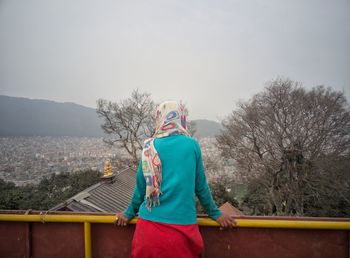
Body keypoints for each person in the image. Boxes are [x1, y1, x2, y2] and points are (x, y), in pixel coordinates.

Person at [116, 101, 236, 258]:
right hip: (181, 233)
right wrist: (215, 214)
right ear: (181, 119)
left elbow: (141, 188)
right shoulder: (191, 145)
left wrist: (128, 213)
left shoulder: (149, 147)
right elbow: (200, 187)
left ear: (159, 119)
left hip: (147, 232)